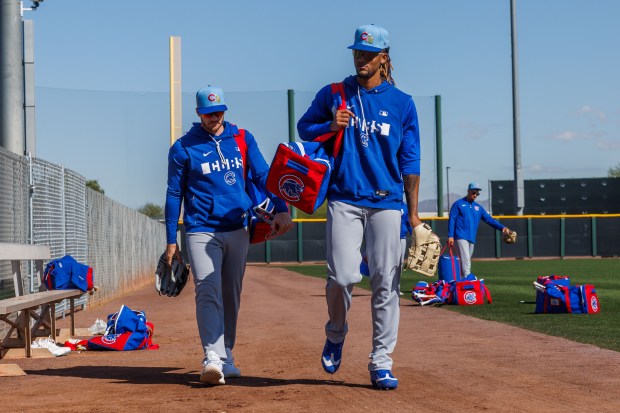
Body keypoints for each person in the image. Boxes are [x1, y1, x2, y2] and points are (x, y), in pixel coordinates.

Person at [297, 24, 422, 390]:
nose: (360, 58)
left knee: (386, 283)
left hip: (387, 204)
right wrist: (330, 125)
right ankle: (336, 331)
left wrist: (413, 215)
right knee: (342, 277)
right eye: (357, 52)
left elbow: (410, 163)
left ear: (384, 58)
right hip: (344, 199)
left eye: (368, 53)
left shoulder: (403, 103)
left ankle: (381, 361)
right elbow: (305, 129)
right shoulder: (335, 93)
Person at [165, 85, 293, 386]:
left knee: (231, 296)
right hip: (200, 229)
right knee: (207, 289)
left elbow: (263, 175)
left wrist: (282, 207)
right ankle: (211, 355)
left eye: (219, 110)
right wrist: (172, 239)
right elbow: (173, 194)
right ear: (198, 113)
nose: (215, 116)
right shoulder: (183, 147)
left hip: (237, 227)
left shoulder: (242, 138)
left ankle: (227, 354)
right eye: (209, 112)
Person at [447, 182, 512, 278]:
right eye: (473, 192)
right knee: (466, 260)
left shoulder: (478, 208)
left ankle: (459, 282)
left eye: (477, 193)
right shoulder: (458, 204)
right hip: (460, 235)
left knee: (466, 260)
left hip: (471, 237)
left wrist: (502, 228)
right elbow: (452, 219)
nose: (475, 195)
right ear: (468, 191)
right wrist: (450, 236)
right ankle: (468, 280)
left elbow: (489, 220)